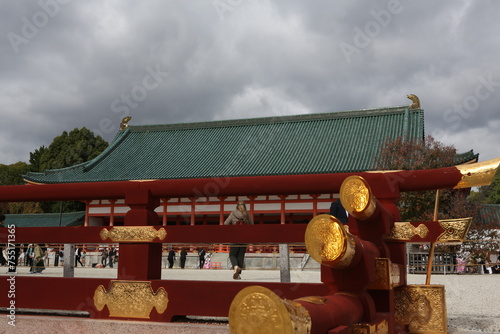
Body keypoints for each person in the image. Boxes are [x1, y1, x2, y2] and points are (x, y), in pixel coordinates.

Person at [224, 201, 254, 279]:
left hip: (235, 237)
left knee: (232, 254)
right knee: (240, 255)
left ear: (237, 206)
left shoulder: (233, 213)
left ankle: (236, 266)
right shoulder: (247, 215)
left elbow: (226, 223)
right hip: (244, 238)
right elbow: (252, 225)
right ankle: (238, 274)